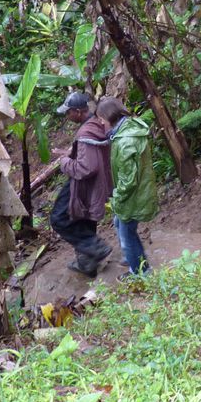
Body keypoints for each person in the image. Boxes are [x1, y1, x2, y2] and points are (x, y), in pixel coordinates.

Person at [50, 92, 113, 276]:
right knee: (83, 217)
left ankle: (95, 247)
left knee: (59, 218)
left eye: (68, 113)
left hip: (84, 182)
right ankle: (87, 263)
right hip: (97, 183)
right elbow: (90, 153)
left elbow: (87, 167)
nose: (67, 116)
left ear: (78, 112)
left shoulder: (86, 131)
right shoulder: (95, 124)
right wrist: (70, 152)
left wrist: (64, 161)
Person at [97, 96, 158, 278]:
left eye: (101, 119)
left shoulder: (124, 142)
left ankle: (140, 272)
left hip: (132, 197)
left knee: (127, 236)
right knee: (125, 229)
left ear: (109, 117)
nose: (101, 123)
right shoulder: (129, 129)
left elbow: (128, 181)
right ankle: (136, 260)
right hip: (139, 192)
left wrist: (116, 198)